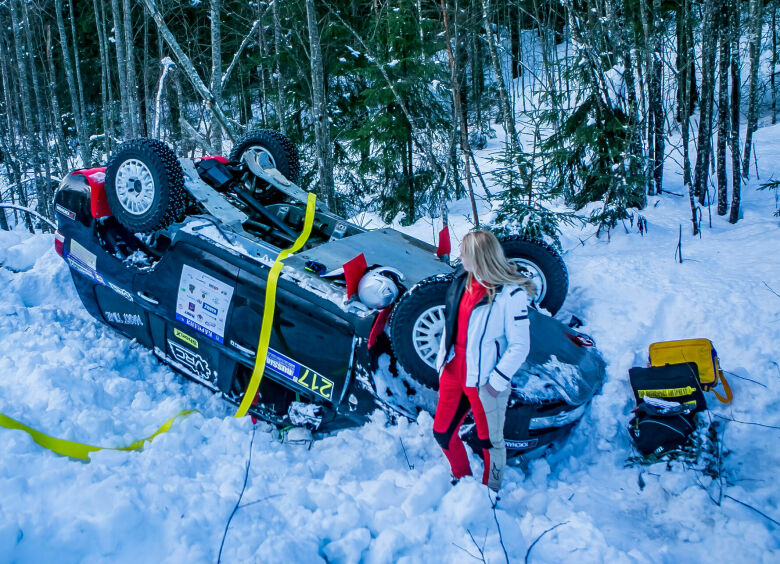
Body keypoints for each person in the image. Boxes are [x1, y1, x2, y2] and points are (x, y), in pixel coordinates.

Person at [432, 230, 536, 492]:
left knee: (491, 442)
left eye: (463, 253)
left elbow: (520, 346)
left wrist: (496, 382)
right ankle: (463, 479)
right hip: (455, 372)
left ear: (478, 257)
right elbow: (451, 322)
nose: (459, 257)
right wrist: (443, 363)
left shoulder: (511, 294)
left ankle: (490, 492)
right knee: (443, 434)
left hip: (485, 381)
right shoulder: (462, 280)